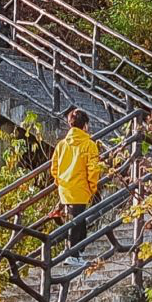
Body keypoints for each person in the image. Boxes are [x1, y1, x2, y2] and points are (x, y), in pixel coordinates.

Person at [50, 107, 102, 269]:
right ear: (85, 125)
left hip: (65, 187)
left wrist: (60, 182)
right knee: (77, 222)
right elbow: (93, 169)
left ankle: (74, 252)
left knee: (75, 220)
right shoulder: (89, 144)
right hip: (80, 187)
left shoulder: (62, 145)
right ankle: (72, 254)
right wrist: (93, 188)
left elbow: (54, 167)